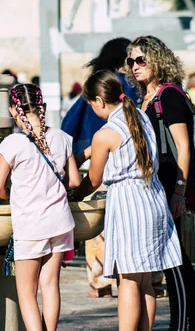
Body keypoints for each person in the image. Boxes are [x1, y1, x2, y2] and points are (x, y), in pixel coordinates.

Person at [70, 70, 182, 331]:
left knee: (128, 280)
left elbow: (92, 181)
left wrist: (72, 195)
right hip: (153, 198)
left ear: (98, 101)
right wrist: (83, 154)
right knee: (146, 282)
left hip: (130, 204)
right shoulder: (139, 118)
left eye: (91, 105)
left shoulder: (105, 133)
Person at [125, 35, 195, 331]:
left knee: (172, 258)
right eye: (131, 61)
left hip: (169, 185)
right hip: (156, 186)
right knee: (178, 258)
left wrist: (178, 190)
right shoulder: (147, 99)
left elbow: (184, 146)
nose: (135, 66)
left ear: (157, 60)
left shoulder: (169, 96)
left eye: (141, 60)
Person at [0, 83, 80, 331]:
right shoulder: (63, 138)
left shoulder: (13, 144)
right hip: (61, 222)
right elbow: (75, 182)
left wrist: (13, 198)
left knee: (26, 292)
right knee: (50, 286)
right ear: (41, 106)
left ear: (12, 111)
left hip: (31, 225)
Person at [60, 37, 140, 299]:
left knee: (98, 230)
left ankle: (101, 282)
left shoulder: (98, 86)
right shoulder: (135, 86)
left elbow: (69, 126)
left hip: (101, 168)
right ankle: (150, 279)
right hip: (137, 172)